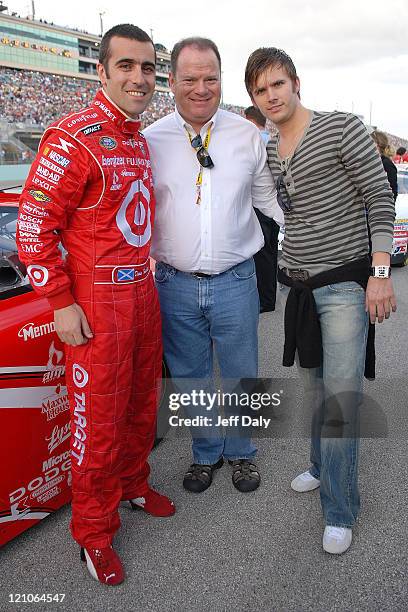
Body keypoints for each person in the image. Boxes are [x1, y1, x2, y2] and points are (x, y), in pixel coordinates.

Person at [16, 24, 175, 586]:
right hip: (97, 303)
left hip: (142, 292)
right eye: (126, 66)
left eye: (148, 67)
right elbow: (33, 228)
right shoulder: (71, 135)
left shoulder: (137, 136)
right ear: (101, 70)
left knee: (140, 402)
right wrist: (60, 301)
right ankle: (93, 533)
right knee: (98, 423)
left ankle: (133, 486)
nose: (139, 77)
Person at [245, 47, 396, 554]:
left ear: (295, 83)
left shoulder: (341, 128)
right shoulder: (268, 148)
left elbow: (380, 199)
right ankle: (318, 464)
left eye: (277, 85)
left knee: (339, 402)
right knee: (315, 390)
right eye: (261, 90)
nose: (271, 96)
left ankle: (340, 508)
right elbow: (291, 211)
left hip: (347, 289)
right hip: (301, 289)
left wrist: (379, 277)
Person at [144, 37, 282, 495]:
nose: (201, 88)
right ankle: (206, 453)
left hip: (237, 279)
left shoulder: (247, 134)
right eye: (190, 79)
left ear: (221, 80)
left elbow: (266, 199)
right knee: (189, 375)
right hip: (174, 283)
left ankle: (242, 452)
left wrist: (309, 237)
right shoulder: (150, 140)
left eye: (210, 78)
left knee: (243, 370)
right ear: (171, 82)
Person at [244, 105, 280, 312]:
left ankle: (263, 299)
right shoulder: (271, 140)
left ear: (249, 119)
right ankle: (268, 296)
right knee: (270, 253)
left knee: (260, 253)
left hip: (259, 205)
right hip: (274, 205)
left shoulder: (253, 140)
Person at [371, 130, 398, 201]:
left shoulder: (386, 163)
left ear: (376, 144)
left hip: (381, 207)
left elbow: (393, 190)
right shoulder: (374, 161)